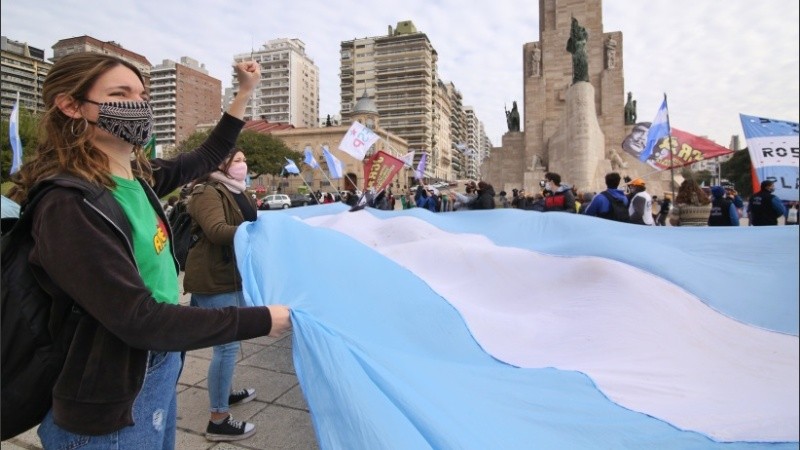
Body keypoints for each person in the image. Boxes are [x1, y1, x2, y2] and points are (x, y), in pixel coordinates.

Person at [6, 53, 291, 448]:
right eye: (120, 94)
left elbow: (207, 155)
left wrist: (244, 92)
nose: (138, 105)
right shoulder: (68, 204)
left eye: (141, 94)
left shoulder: (137, 178)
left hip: (156, 368)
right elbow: (138, 318)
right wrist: (261, 320)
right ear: (72, 106)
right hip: (108, 398)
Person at [183, 150, 261, 441]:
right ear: (221, 164)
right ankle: (218, 418)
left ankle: (224, 394)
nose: (243, 164)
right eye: (238, 159)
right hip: (214, 278)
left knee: (232, 340)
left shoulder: (239, 190)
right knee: (226, 347)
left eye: (244, 159)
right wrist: (255, 231)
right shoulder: (207, 192)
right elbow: (216, 231)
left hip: (233, 275)